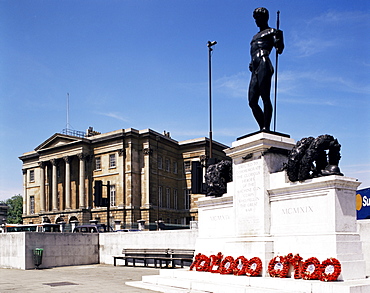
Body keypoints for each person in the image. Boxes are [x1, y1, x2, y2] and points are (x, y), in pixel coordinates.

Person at [248, 7, 284, 131]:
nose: (257, 21)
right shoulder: (254, 36)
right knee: (252, 101)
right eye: (255, 18)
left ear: (265, 18)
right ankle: (262, 126)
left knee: (265, 97)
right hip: (255, 67)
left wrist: (279, 39)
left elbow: (279, 49)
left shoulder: (272, 31)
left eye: (259, 18)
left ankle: (266, 127)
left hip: (264, 63)